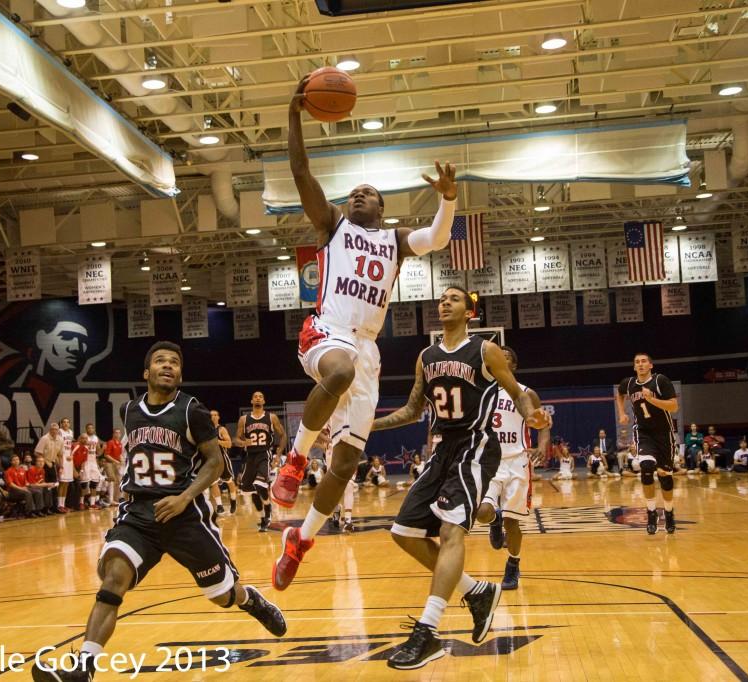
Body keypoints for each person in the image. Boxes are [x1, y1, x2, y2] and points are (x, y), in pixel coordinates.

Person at [271, 81, 461, 588]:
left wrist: (448, 198)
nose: (359, 195)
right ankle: (294, 458)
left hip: (368, 348)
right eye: (354, 192)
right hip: (326, 331)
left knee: (348, 461)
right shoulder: (332, 225)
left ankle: (303, 538)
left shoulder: (395, 241)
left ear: (381, 209)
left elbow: (439, 238)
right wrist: (294, 116)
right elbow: (300, 171)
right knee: (340, 369)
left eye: (369, 194)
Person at [31, 341, 286, 682]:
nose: (168, 366)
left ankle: (249, 599)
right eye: (161, 361)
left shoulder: (192, 411)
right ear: (146, 373)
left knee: (222, 595)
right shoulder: (130, 411)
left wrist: (184, 497)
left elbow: (215, 463)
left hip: (185, 517)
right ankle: (84, 669)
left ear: (180, 374)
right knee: (113, 579)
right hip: (140, 516)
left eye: (175, 363)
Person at [367, 287, 551, 669]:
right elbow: (411, 409)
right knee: (403, 532)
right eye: (442, 299)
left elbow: (517, 393)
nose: (444, 302)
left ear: (470, 312)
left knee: (451, 532)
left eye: (453, 298)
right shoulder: (426, 357)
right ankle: (477, 592)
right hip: (443, 450)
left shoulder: (485, 350)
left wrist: (532, 414)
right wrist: (367, 426)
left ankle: (428, 632)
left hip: (476, 448)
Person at [483, 345, 550, 591]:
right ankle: (493, 519)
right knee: (482, 511)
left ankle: (513, 564)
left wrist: (542, 445)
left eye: (507, 356)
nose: (501, 358)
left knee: (513, 523)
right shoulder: (481, 393)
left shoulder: (526, 393)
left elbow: (542, 424)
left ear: (513, 365)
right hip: (489, 461)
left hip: (517, 461)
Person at [617, 353, 680, 535]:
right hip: (643, 432)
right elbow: (620, 394)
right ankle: (651, 513)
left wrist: (652, 399)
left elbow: (674, 407)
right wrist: (622, 413)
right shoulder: (629, 383)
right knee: (646, 467)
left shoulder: (660, 381)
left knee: (665, 476)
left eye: (644, 361)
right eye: (637, 362)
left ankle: (669, 512)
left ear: (651, 365)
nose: (641, 364)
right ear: (634, 367)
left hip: (664, 433)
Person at [235, 392, 285, 532]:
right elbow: (236, 440)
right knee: (249, 490)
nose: (258, 398)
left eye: (260, 396)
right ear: (251, 400)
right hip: (250, 456)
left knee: (260, 484)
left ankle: (268, 512)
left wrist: (278, 455)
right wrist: (244, 442)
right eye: (255, 396)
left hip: (265, 454)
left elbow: (283, 435)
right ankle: (263, 515)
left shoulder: (271, 417)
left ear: (264, 401)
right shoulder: (244, 419)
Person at [207, 410, 238, 516]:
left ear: (219, 417)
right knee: (213, 483)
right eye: (212, 415)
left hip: (223, 459)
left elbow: (229, 444)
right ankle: (220, 506)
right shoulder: (206, 430)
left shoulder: (221, 429)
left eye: (216, 415)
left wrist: (217, 441)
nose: (214, 417)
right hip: (211, 459)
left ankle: (233, 501)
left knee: (229, 481)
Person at [34, 422, 67, 513]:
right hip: (43, 464)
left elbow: (60, 455)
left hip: (52, 464)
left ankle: (54, 507)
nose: (54, 431)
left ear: (58, 430)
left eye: (56, 429)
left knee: (54, 486)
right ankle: (44, 508)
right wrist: (45, 461)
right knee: (45, 486)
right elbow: (37, 452)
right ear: (50, 430)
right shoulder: (44, 438)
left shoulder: (60, 440)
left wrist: (61, 467)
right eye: (53, 429)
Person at [5, 454, 46, 518]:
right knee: (27, 493)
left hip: (23, 489)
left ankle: (38, 510)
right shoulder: (8, 471)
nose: (16, 461)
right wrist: (21, 488)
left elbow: (26, 481)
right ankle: (29, 512)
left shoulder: (22, 470)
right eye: (14, 460)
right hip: (13, 491)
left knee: (37, 492)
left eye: (17, 459)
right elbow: (11, 484)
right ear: (11, 462)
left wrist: (27, 486)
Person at [101, 428, 123, 508]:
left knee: (118, 481)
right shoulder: (110, 442)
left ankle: (116, 499)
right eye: (116, 433)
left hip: (116, 464)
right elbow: (106, 455)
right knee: (112, 480)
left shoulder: (120, 443)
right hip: (109, 464)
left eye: (119, 433)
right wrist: (115, 461)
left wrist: (121, 461)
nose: (117, 434)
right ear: (113, 434)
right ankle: (109, 499)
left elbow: (120, 455)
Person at [58, 417, 76, 512]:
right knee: (62, 482)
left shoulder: (71, 432)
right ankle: (59, 505)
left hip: (69, 458)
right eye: (64, 422)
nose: (65, 424)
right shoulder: (59, 431)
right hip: (63, 457)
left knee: (67, 483)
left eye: (67, 422)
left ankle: (63, 504)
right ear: (61, 424)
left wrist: (72, 455)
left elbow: (71, 446)